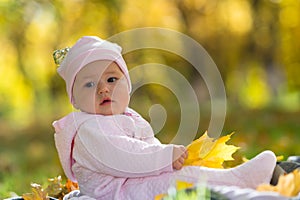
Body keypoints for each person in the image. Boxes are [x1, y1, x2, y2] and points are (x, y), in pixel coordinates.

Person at [52, 36, 277, 200]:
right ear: (75, 100)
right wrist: (164, 158)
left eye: (111, 80)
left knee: (183, 176)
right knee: (181, 185)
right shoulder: (87, 130)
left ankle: (237, 181)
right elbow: (123, 154)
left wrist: (166, 161)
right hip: (117, 193)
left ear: (127, 86)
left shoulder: (130, 117)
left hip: (137, 183)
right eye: (89, 84)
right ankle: (239, 188)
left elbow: (148, 147)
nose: (103, 89)